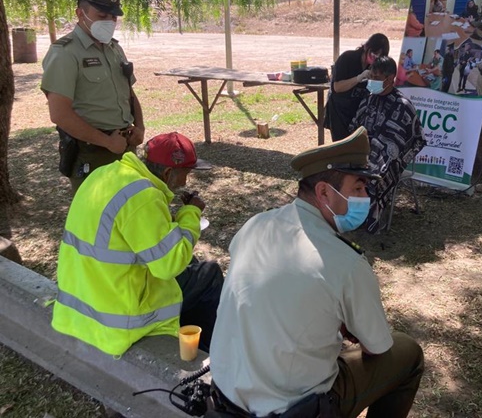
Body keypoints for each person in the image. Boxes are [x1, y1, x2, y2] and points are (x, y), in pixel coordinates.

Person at [209, 127, 424, 417]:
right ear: (324, 192)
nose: (365, 197)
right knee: (407, 353)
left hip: (225, 394)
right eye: (358, 188)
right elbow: (377, 349)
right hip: (291, 409)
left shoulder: (256, 224)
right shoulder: (345, 263)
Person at [51, 132, 223, 355]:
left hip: (85, 300)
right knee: (209, 275)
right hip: (118, 318)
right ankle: (209, 352)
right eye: (186, 174)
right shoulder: (144, 197)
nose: (186, 182)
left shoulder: (105, 173)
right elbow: (169, 266)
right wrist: (191, 213)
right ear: (169, 173)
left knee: (192, 264)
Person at [41, 0, 146, 193]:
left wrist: (140, 126)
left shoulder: (114, 48)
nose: (109, 22)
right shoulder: (65, 53)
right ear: (81, 13)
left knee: (128, 215)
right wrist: (106, 141)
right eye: (102, 16)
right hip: (92, 153)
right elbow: (60, 114)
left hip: (124, 147)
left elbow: (129, 93)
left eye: (113, 17)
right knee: (98, 220)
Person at [349, 57, 426, 234]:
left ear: (390, 78)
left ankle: (369, 218)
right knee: (340, 166)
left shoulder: (403, 106)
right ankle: (347, 212)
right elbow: (354, 128)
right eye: (372, 76)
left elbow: (410, 139)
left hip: (389, 157)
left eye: (377, 77)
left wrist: (380, 150)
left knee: (375, 172)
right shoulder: (368, 99)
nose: (373, 81)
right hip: (364, 151)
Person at [326, 33, 390, 141]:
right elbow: (337, 87)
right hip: (339, 111)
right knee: (341, 148)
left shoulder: (374, 66)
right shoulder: (347, 58)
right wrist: (358, 78)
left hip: (357, 112)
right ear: (366, 47)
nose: (375, 57)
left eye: (379, 56)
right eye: (373, 53)